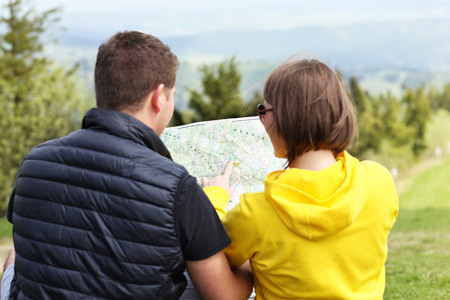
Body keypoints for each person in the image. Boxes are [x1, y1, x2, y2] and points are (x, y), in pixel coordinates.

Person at [3, 30, 252, 300]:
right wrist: (255, 262)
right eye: (171, 95)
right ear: (159, 98)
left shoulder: (34, 161)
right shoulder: (176, 186)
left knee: (17, 253)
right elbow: (225, 296)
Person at [204, 58, 399, 299]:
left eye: (263, 110)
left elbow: (212, 245)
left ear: (286, 118)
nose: (261, 120)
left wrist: (215, 196)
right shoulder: (379, 182)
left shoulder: (255, 213)